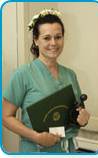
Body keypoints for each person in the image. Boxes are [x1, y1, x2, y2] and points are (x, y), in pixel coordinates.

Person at [2, 9, 90, 153]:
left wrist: (83, 118)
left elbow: (77, 111)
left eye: (58, 37)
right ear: (36, 40)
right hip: (37, 149)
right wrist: (36, 137)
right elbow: (5, 116)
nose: (53, 43)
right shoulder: (22, 74)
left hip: (68, 149)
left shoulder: (70, 75)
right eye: (47, 38)